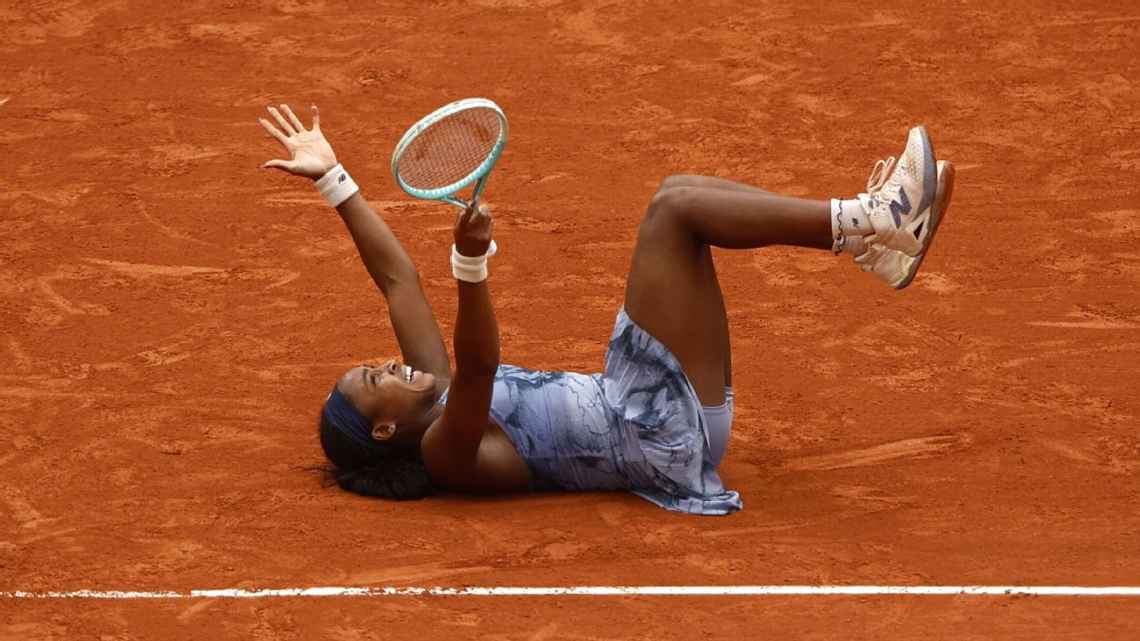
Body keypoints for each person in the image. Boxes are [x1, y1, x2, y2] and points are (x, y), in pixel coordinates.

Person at [257, 103, 954, 515]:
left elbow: (398, 283)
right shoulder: (447, 454)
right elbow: (478, 367)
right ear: (384, 430)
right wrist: (471, 263)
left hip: (638, 402)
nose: (392, 364)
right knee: (675, 212)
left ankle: (874, 240)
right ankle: (870, 223)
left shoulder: (427, 393)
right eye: (378, 377)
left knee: (677, 194)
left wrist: (334, 178)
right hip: (653, 433)